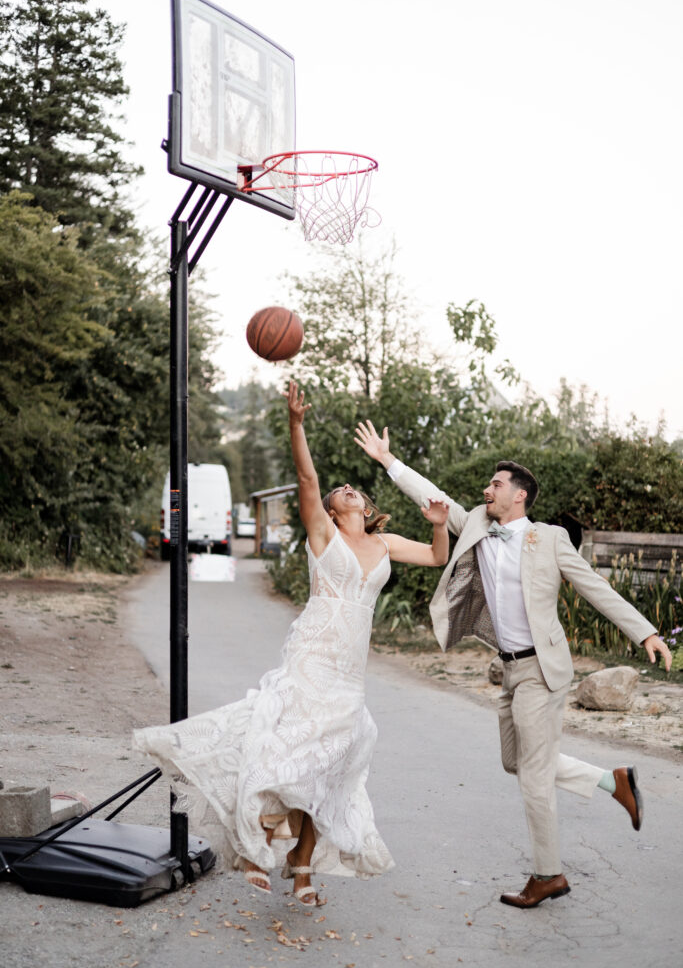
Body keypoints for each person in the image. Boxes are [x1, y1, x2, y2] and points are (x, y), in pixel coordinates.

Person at [133, 383, 449, 906]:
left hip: (349, 672)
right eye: (338, 489)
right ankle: (260, 849)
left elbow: (438, 557)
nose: (347, 487)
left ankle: (302, 868)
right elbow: (308, 476)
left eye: (355, 488)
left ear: (367, 506)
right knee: (294, 754)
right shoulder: (324, 535)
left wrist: (438, 527)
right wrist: (295, 424)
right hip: (311, 656)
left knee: (329, 769)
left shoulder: (385, 542)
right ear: (328, 508)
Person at [354, 420, 672, 909]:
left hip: (542, 671)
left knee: (535, 776)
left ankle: (548, 875)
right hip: (509, 668)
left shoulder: (548, 540)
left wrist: (644, 630)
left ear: (519, 496)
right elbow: (435, 496)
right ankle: (615, 782)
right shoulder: (478, 525)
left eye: (496, 484)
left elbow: (595, 587)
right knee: (516, 763)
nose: (487, 488)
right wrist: (386, 461)